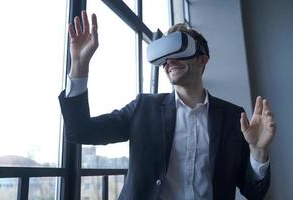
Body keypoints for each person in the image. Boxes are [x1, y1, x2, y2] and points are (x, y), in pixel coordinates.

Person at [59, 10, 276, 200]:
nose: (169, 60)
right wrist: (79, 65)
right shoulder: (143, 108)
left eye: (179, 50)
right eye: (164, 55)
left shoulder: (232, 118)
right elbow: (80, 131)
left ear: (203, 59)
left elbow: (254, 192)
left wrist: (258, 152)